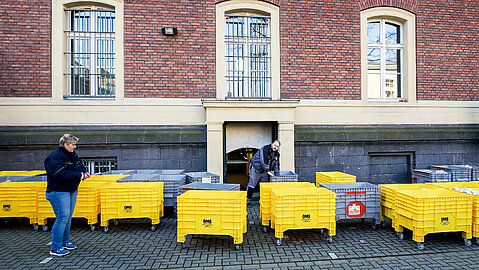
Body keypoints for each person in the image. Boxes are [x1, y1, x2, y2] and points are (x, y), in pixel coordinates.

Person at [44, 134, 90, 256]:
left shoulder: (72, 155)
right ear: (65, 145)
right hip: (58, 191)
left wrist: (84, 172)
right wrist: (79, 176)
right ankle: (55, 248)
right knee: (62, 218)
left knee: (68, 217)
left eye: (75, 144)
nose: (75, 146)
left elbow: (79, 165)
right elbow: (59, 173)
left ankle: (65, 242)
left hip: (71, 190)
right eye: (72, 144)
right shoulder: (54, 157)